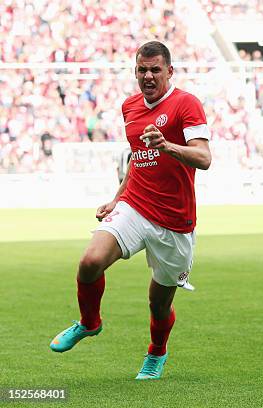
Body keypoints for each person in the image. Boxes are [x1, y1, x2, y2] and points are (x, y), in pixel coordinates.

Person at [49, 41, 212, 380]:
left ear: (169, 71)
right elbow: (138, 160)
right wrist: (116, 198)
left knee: (159, 303)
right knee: (90, 262)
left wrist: (165, 145)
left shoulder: (186, 104)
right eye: (142, 70)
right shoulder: (130, 107)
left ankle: (156, 352)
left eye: (155, 69)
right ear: (135, 71)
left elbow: (204, 158)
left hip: (175, 221)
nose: (148, 76)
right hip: (135, 204)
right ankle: (89, 323)